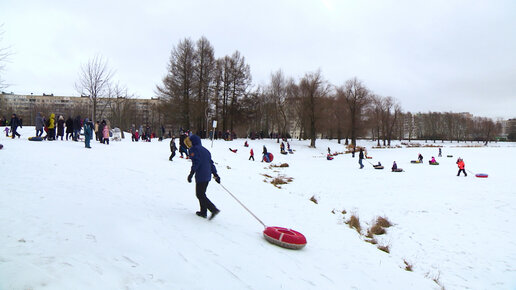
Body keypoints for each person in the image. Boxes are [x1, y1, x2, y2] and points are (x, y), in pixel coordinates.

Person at [185, 134, 221, 220]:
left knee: (200, 194)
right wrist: (216, 175)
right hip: (207, 174)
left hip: (201, 174)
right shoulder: (206, 150)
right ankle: (203, 212)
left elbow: (196, 162)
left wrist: (191, 173)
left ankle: (213, 209)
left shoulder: (193, 149)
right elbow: (211, 163)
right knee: (202, 193)